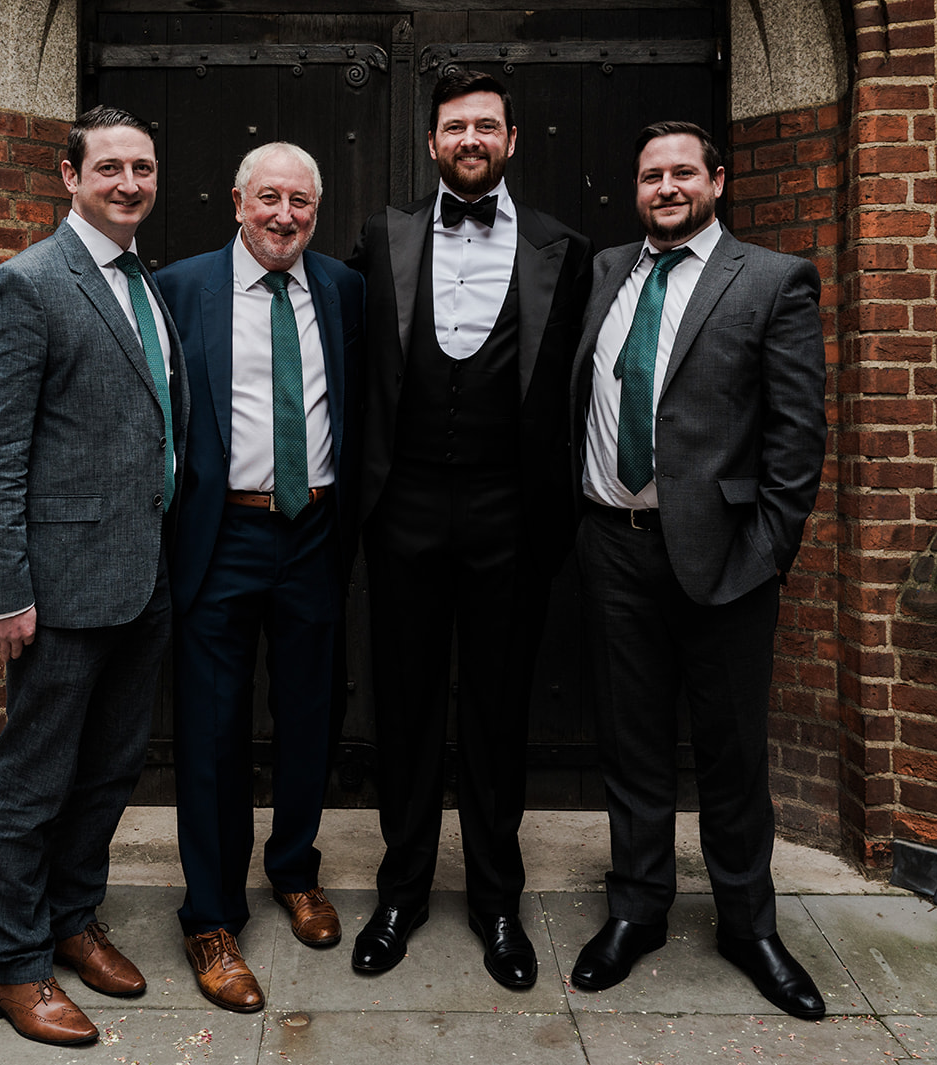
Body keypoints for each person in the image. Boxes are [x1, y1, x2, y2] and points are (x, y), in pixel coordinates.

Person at [567, 120, 828, 1020]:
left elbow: (798, 438)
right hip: (612, 546)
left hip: (724, 564)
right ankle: (636, 909)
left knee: (729, 753)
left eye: (683, 173)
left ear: (718, 180)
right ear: (634, 189)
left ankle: (748, 923)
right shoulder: (607, 271)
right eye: (650, 176)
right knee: (631, 745)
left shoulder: (771, 278)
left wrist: (766, 554)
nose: (666, 188)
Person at [347, 70, 592, 989]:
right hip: (403, 503)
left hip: (509, 509)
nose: (471, 139)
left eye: (486, 125)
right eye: (456, 126)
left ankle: (496, 899)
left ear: (512, 140)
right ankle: (401, 890)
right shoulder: (385, 234)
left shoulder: (567, 249)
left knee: (496, 711)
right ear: (434, 141)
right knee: (404, 706)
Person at [0, 105, 187, 1045]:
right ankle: (14, 967)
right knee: (34, 780)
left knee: (109, 769)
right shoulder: (29, 283)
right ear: (69, 176)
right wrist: (4, 590)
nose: (129, 183)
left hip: (142, 574)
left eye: (144, 167)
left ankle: (70, 919)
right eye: (111, 169)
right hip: (57, 585)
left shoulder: (147, 283)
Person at [153, 143, 365, 1014]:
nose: (285, 216)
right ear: (238, 200)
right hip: (219, 533)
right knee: (211, 730)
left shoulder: (344, 290)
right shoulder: (180, 288)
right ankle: (211, 913)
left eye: (302, 203)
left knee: (311, 715)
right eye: (270, 198)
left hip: (313, 530)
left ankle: (296, 871)